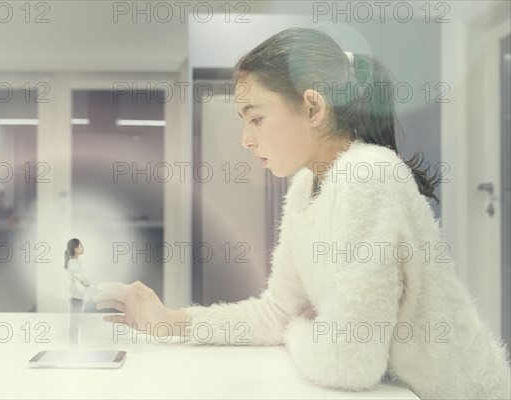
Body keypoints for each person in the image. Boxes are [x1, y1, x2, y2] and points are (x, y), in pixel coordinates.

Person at [94, 27, 511, 399]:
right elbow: (275, 313)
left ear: (314, 108)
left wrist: (298, 328)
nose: (245, 139)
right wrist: (171, 322)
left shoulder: (368, 174)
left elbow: (349, 364)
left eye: (255, 118)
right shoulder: (306, 187)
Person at [65, 238, 91, 312]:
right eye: (81, 246)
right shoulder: (73, 264)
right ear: (76, 249)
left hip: (77, 297)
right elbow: (86, 280)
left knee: (76, 321)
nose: (83, 247)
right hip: (76, 298)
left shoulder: (76, 262)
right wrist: (88, 282)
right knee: (75, 321)